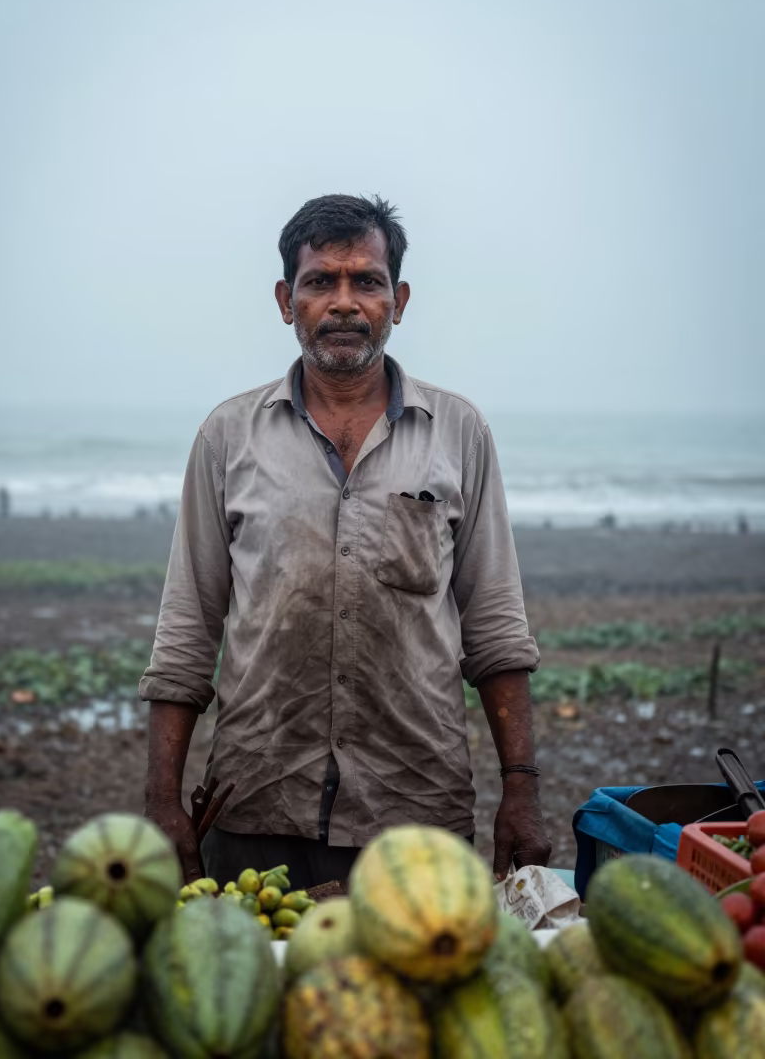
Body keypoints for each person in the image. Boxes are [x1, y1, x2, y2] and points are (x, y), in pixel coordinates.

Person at [141, 194, 551, 889]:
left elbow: (495, 628)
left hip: (416, 806)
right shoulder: (227, 437)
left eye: (366, 280)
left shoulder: (458, 433)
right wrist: (160, 800)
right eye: (319, 281)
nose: (343, 301)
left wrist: (522, 788)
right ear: (285, 299)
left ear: (399, 298)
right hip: (254, 805)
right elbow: (187, 629)